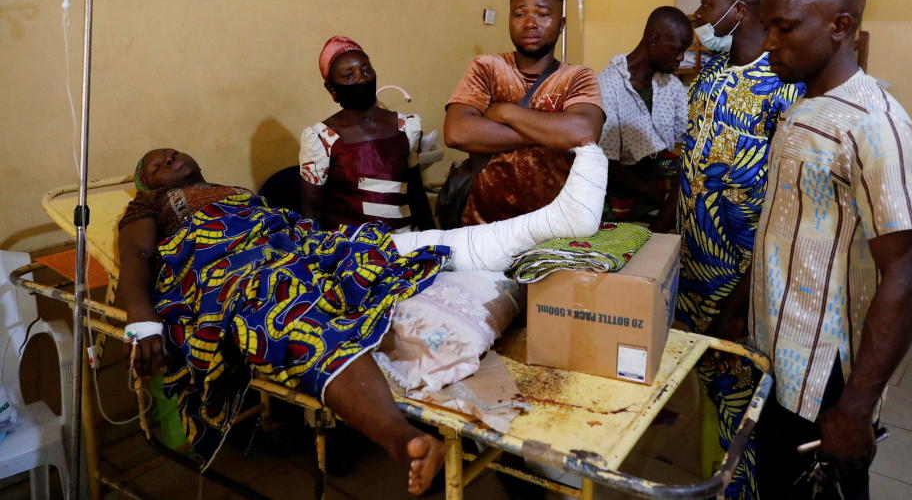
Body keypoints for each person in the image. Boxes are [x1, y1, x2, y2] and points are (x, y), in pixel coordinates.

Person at [118, 142, 607, 495]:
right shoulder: (149, 208)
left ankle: (546, 227)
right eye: (154, 164)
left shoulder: (232, 189)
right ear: (147, 186)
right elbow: (135, 263)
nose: (166, 159)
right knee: (288, 311)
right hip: (226, 266)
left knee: (368, 247)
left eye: (170, 151)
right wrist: (143, 321)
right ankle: (404, 440)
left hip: (288, 244)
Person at [751, 0, 912, 499]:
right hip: (779, 357)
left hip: (825, 378)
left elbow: (908, 275)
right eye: (767, 28)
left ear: (841, 26)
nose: (769, 44)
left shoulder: (876, 125)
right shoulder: (805, 106)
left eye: (786, 28)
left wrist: (855, 407)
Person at [670, 0, 805, 499]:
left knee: (742, 403)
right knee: (712, 388)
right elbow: (690, 167)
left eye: (707, 4)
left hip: (741, 278)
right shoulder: (709, 78)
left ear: (740, 9)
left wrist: (744, 297)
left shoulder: (784, 86)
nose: (699, 15)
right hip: (692, 269)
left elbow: (786, 205)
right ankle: (720, 483)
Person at [444, 0, 605, 225]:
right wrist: (551, 133)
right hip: (482, 225)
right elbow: (457, 132)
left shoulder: (577, 77)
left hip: (554, 228)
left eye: (542, 14)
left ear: (561, 24)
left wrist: (506, 113)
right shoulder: (486, 67)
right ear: (509, 20)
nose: (530, 23)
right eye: (520, 14)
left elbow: (583, 133)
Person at [300, 36, 434, 232]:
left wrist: (434, 238)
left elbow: (417, 193)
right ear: (331, 89)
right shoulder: (322, 139)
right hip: (352, 253)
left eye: (366, 70)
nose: (361, 78)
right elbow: (311, 212)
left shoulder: (405, 127)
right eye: (348, 75)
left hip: (408, 246)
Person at [596, 6, 691, 227]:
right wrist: (656, 194)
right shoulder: (609, 85)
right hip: (622, 196)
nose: (681, 58)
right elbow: (604, 163)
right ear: (654, 40)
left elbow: (685, 137)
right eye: (676, 49)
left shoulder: (671, 85)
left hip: (660, 192)